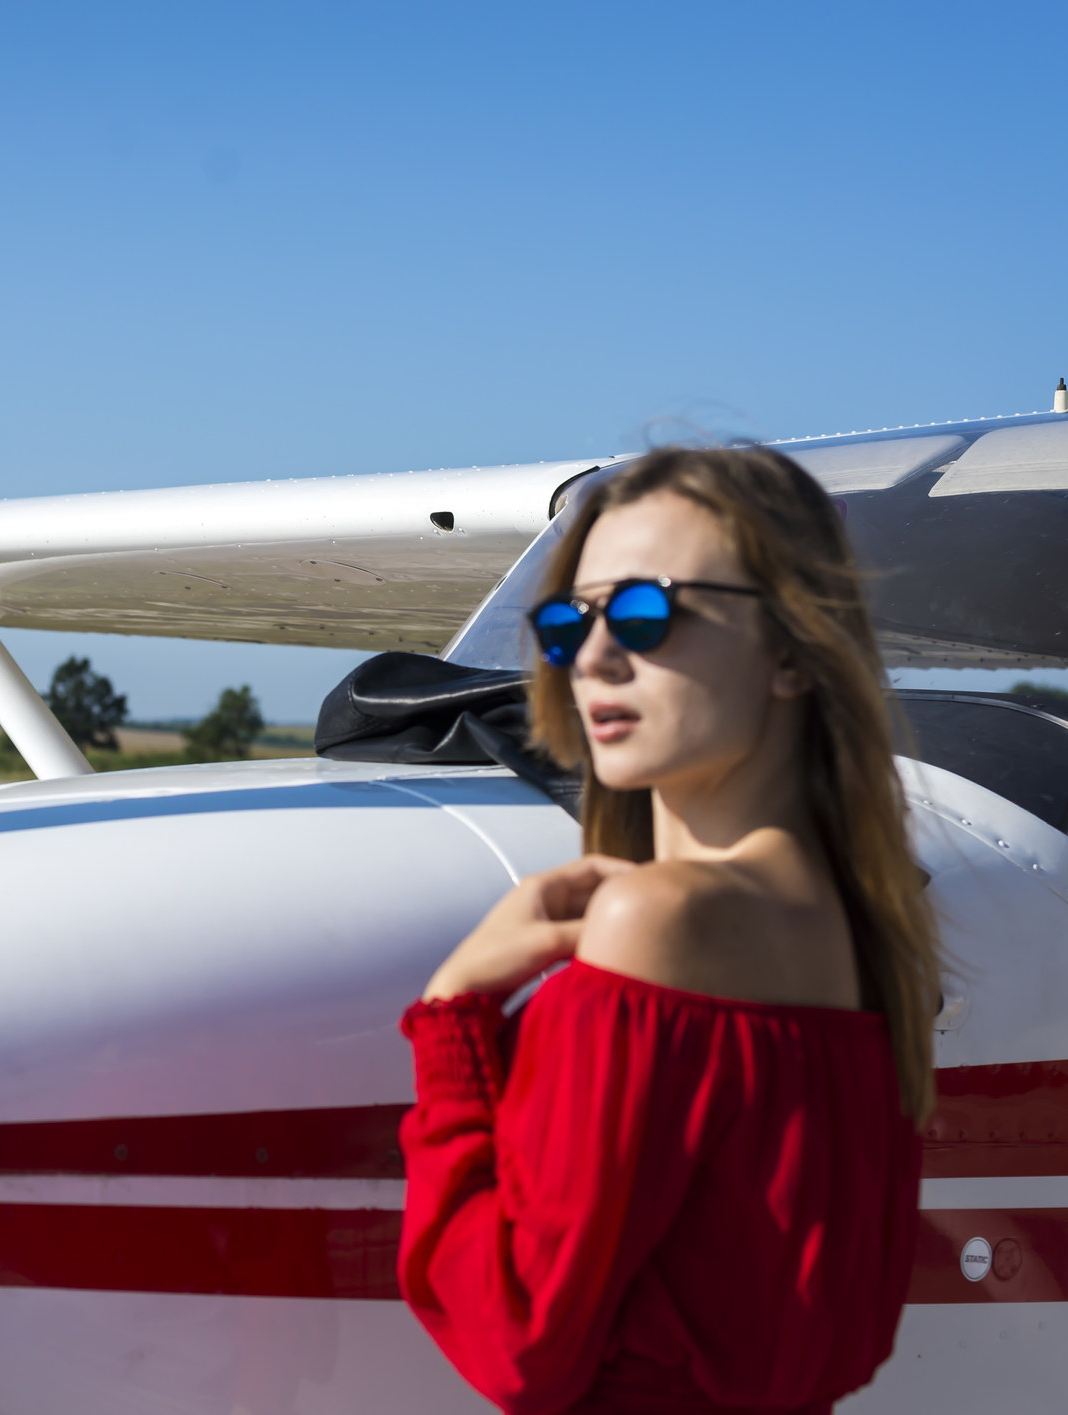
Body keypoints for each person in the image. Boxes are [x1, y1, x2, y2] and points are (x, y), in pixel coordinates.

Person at [397, 446, 937, 1414]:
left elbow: (517, 1337)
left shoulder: (659, 918)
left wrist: (452, 1012)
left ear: (789, 648)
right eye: (569, 622)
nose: (595, 656)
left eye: (648, 611)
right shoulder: (870, 935)